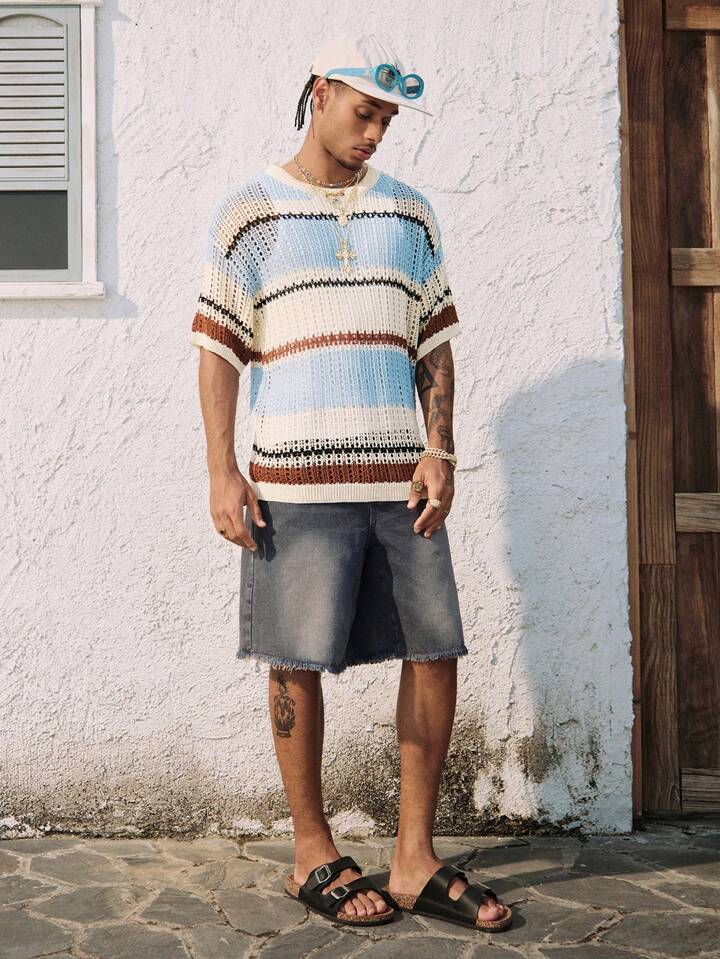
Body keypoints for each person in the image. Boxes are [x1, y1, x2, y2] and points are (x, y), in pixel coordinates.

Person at [191, 33, 512, 933]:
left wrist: (440, 449)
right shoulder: (250, 215)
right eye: (365, 112)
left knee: (435, 649)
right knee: (295, 656)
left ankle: (414, 856)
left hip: (398, 479)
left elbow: (434, 342)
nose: (375, 133)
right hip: (292, 481)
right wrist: (221, 470)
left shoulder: (410, 215)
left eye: (388, 121)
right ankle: (311, 849)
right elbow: (217, 348)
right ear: (321, 92)